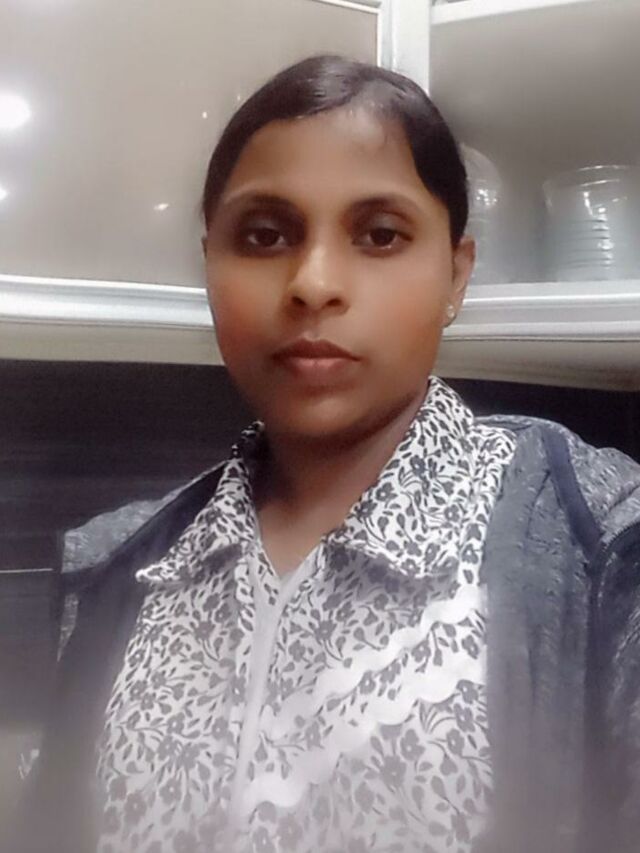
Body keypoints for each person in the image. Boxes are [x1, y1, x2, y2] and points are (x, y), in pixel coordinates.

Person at [12, 55, 640, 853]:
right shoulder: (122, 569)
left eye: (380, 235)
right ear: (210, 264)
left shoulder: (603, 545)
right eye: (264, 235)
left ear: (455, 274)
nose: (312, 283)